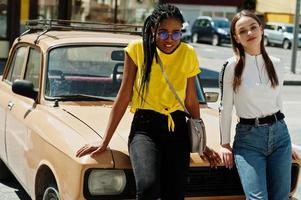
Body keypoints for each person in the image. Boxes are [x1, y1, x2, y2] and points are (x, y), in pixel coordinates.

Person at [76, 3, 220, 200]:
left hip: (177, 130)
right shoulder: (137, 50)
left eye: (176, 33)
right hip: (145, 129)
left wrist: (201, 143)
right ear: (153, 30)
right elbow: (124, 96)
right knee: (148, 188)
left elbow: (191, 100)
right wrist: (104, 141)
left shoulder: (188, 53)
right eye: (163, 33)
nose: (170, 39)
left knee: (175, 194)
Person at [219, 10, 299, 200]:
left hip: (280, 138)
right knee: (258, 198)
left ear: (261, 29)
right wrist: (224, 144)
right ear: (236, 38)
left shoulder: (277, 63)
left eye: (253, 27)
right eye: (243, 31)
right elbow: (226, 107)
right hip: (249, 141)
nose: (250, 33)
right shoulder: (231, 66)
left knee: (281, 197)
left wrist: (288, 144)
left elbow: (278, 103)